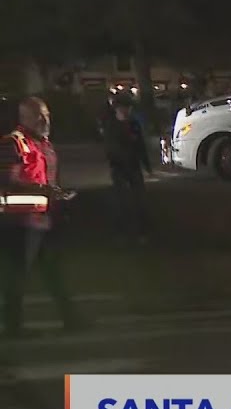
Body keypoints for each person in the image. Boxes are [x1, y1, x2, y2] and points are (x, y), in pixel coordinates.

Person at [0, 97, 83, 337]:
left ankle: (71, 318)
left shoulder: (44, 144)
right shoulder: (13, 143)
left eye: (46, 114)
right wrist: (44, 190)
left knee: (53, 272)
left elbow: (47, 178)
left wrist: (57, 195)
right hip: (19, 222)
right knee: (18, 275)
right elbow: (7, 180)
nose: (45, 120)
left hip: (42, 219)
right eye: (39, 116)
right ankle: (14, 327)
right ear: (24, 118)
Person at [102, 94, 153, 242]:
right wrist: (116, 160)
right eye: (124, 108)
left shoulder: (133, 124)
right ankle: (121, 231)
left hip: (133, 166)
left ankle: (142, 230)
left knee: (140, 199)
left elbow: (140, 145)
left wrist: (146, 165)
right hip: (119, 168)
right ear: (118, 109)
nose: (127, 111)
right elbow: (110, 148)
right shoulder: (111, 125)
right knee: (121, 200)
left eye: (128, 108)